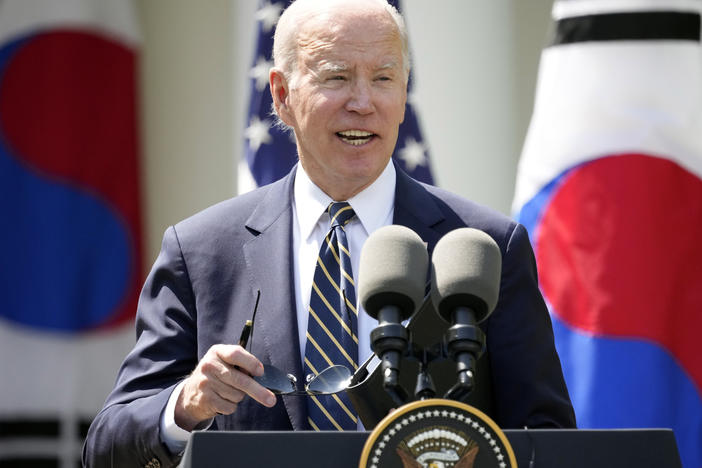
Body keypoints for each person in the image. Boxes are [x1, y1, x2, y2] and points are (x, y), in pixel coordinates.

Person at [83, 0, 575, 466]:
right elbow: (108, 448)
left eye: (384, 78)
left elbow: (547, 439)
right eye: (336, 77)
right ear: (281, 94)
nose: (362, 103)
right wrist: (185, 405)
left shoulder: (481, 247)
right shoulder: (202, 252)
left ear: (404, 94)